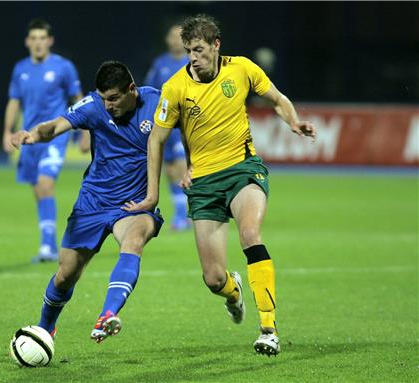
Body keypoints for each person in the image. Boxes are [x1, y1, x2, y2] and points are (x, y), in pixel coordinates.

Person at [124, 14, 316, 356]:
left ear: (215, 45)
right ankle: (233, 291)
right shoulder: (175, 87)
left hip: (243, 170)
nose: (192, 57)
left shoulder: (241, 68)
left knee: (250, 235)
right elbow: (156, 139)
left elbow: (277, 98)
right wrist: (152, 194)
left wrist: (294, 121)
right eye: (188, 51)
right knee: (213, 278)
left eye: (198, 50)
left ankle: (268, 328)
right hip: (204, 183)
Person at [11, 61, 164, 343]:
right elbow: (57, 125)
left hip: (133, 205)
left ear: (132, 89)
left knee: (134, 242)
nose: (108, 106)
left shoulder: (157, 102)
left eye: (114, 98)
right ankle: (45, 327)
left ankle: (108, 314)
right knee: (66, 274)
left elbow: (190, 131)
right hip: (93, 202)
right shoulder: (93, 106)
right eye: (104, 98)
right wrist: (33, 134)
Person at [3, 19, 84, 263]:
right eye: (34, 38)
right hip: (29, 139)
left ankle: (48, 247)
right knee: (38, 189)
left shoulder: (63, 67)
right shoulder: (20, 69)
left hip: (54, 137)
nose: (38, 43)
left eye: (42, 38)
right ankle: (47, 240)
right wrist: (7, 131)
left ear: (50, 41)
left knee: (46, 183)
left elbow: (78, 99)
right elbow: (14, 101)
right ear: (28, 42)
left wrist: (85, 133)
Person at [144, 24, 190, 231]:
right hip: (165, 123)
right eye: (172, 36)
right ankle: (182, 212)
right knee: (171, 170)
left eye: (180, 36)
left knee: (181, 166)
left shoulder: (192, 61)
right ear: (167, 39)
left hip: (187, 124)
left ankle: (185, 214)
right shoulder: (160, 63)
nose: (176, 40)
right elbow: (150, 91)